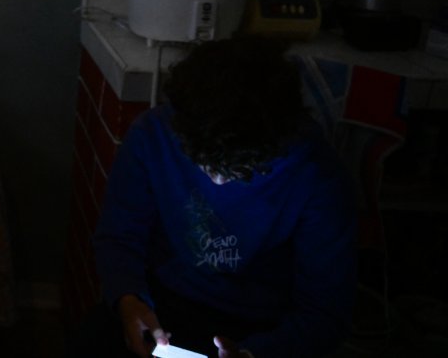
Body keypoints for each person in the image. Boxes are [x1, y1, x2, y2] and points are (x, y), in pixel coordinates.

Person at [71, 37, 357, 358]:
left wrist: (254, 353)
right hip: (162, 302)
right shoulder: (153, 134)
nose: (217, 181)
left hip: (261, 324)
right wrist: (128, 299)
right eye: (202, 163)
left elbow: (325, 312)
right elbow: (120, 236)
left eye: (241, 169)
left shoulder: (317, 174)